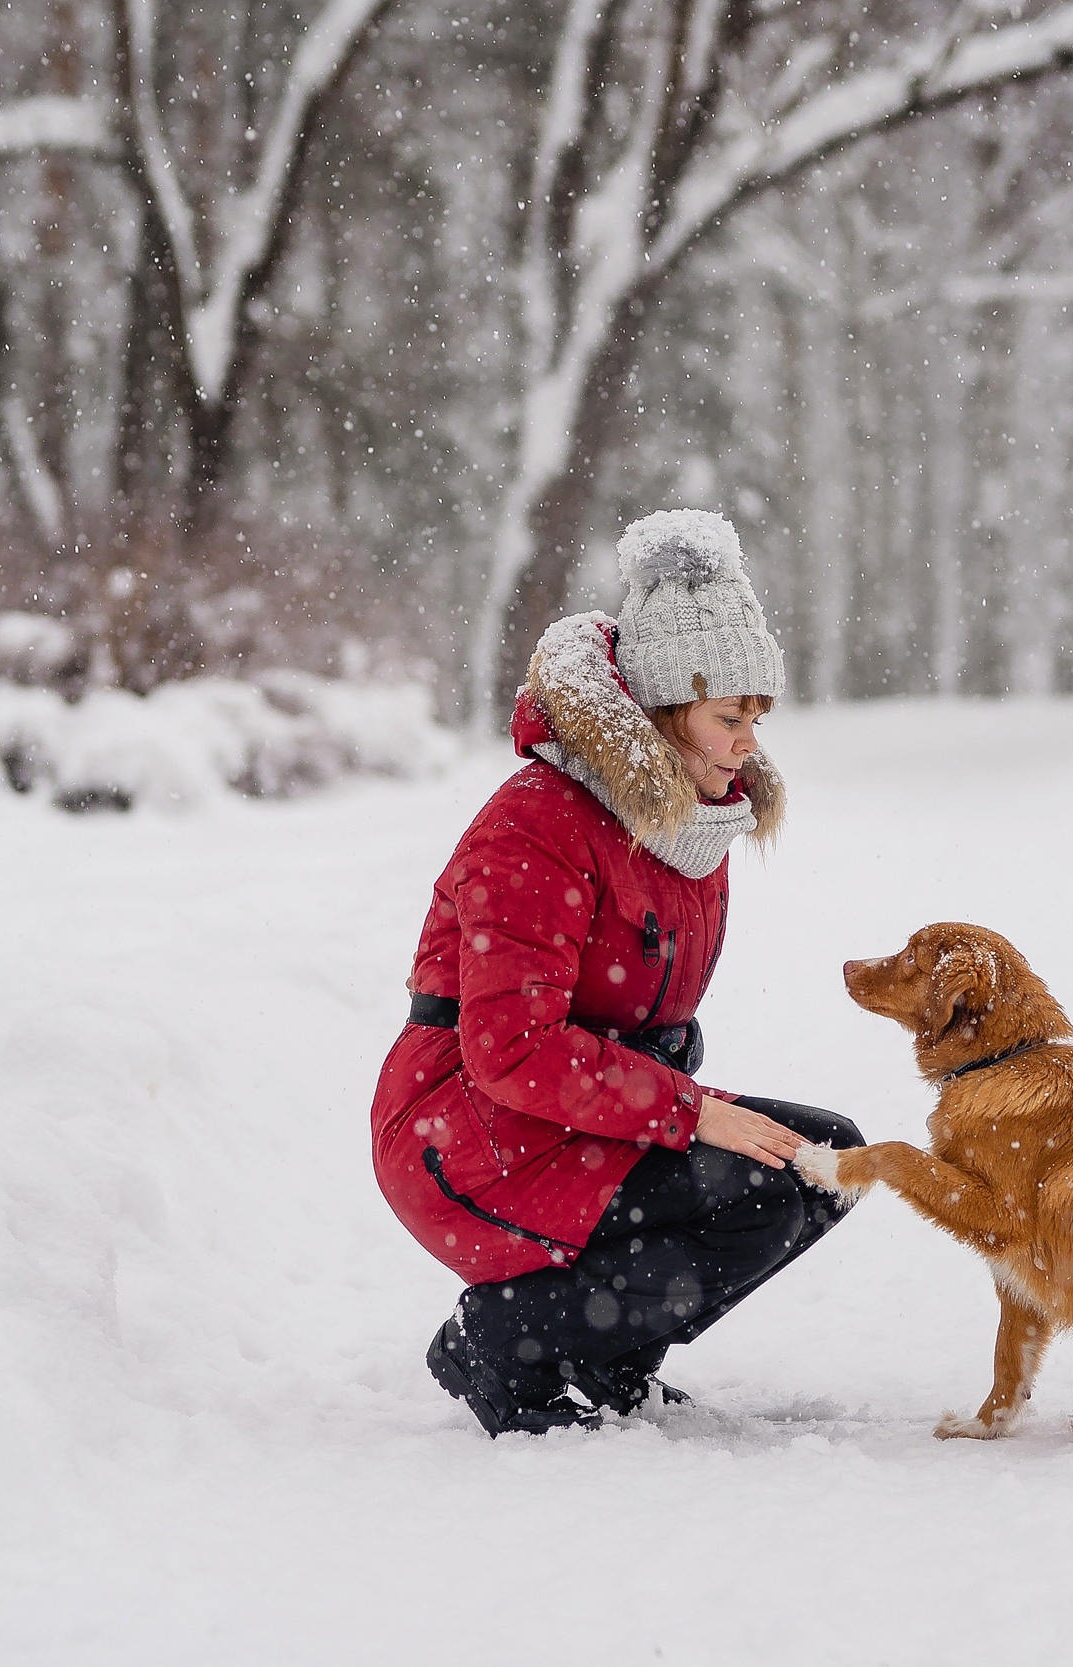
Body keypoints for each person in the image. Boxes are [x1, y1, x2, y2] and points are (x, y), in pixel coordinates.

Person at [369, 509, 863, 1435]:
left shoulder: (692, 821)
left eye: (758, 717)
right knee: (776, 1179)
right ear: (668, 710)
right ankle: (505, 1343)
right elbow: (510, 1047)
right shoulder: (539, 823)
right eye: (730, 717)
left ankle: (602, 1359)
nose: (750, 743)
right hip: (467, 1125)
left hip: (583, 1108)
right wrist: (691, 1110)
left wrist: (681, 1087)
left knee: (822, 1161)